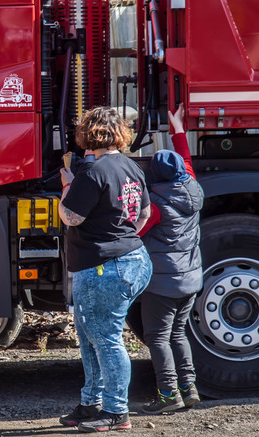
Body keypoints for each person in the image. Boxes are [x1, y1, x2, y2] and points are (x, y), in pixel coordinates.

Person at [58, 106, 153, 433]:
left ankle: (115, 411)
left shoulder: (92, 172)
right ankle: (91, 403)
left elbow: (71, 217)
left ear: (88, 134)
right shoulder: (132, 166)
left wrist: (67, 187)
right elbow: (144, 214)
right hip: (134, 260)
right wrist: (121, 238)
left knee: (106, 339)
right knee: (91, 334)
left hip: (103, 268)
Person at [138, 104, 204, 414]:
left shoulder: (155, 206)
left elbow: (135, 232)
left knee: (157, 337)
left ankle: (167, 393)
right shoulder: (192, 187)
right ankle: (189, 389)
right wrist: (177, 127)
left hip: (162, 283)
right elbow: (186, 159)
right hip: (190, 280)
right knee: (178, 333)